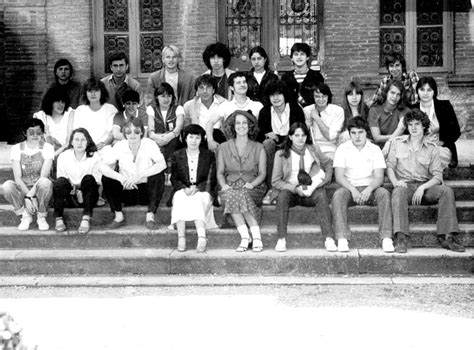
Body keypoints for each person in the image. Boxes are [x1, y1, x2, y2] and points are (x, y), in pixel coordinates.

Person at [387, 109, 465, 253]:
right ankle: (401, 238)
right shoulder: (397, 143)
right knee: (397, 192)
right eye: (410, 125)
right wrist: (395, 182)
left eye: (417, 124)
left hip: (426, 187)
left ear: (424, 126)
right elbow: (390, 167)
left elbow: (437, 177)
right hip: (405, 186)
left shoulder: (432, 148)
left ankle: (447, 237)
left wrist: (422, 188)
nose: (414, 128)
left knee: (447, 191)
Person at [332, 117, 394, 253]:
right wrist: (353, 189)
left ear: (366, 132)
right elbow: (339, 176)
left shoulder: (375, 149)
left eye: (360, 132)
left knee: (384, 193)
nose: (357, 136)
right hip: (349, 188)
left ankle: (386, 237)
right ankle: (342, 238)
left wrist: (369, 189)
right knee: (338, 195)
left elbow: (379, 177)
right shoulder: (342, 149)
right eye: (353, 133)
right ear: (349, 134)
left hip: (371, 188)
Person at [272, 122, 336, 252]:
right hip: (292, 192)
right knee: (282, 195)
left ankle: (329, 238)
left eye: (303, 135)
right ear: (290, 137)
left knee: (321, 194)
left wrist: (327, 179)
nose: (300, 138)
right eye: (296, 135)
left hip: (310, 190)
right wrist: (294, 189)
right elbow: (276, 181)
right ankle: (281, 238)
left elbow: (329, 163)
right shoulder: (281, 154)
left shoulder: (313, 150)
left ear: (307, 136)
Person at [101, 119, 167, 229]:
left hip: (146, 192)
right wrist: (121, 178)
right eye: (128, 132)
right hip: (127, 191)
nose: (132, 135)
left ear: (142, 132)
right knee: (107, 178)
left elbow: (162, 164)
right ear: (124, 134)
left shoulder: (149, 144)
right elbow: (103, 167)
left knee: (158, 175)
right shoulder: (119, 146)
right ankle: (118, 216)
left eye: (136, 131)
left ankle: (150, 216)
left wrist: (139, 176)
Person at [217, 110, 267, 252]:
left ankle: (250, 237)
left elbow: (262, 174)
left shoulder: (259, 147)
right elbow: (220, 173)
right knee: (234, 193)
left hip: (253, 186)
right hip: (230, 187)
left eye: (244, 122)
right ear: (233, 126)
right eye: (237, 123)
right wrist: (224, 186)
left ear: (250, 126)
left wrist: (252, 184)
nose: (241, 126)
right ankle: (249, 236)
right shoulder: (223, 147)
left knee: (240, 194)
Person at [393, 76, 461, 169]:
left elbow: (455, 131)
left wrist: (442, 142)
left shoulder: (445, 106)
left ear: (434, 92)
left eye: (429, 90)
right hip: (419, 148)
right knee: (415, 156)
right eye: (422, 89)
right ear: (417, 91)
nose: (425, 93)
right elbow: (406, 132)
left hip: (440, 148)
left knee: (431, 156)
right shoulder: (412, 109)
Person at [170, 124, 218, 253]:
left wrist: (198, 188)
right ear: (185, 138)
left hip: (202, 189)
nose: (194, 141)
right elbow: (174, 178)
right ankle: (181, 237)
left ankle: (201, 237)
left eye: (197, 138)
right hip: (183, 188)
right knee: (180, 197)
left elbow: (211, 178)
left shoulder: (209, 155)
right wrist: (184, 188)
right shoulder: (177, 155)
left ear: (202, 139)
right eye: (191, 137)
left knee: (198, 198)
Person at [257, 80, 305, 204]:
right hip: (272, 147)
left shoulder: (295, 109)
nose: (276, 98)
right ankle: (271, 187)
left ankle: (282, 188)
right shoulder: (264, 112)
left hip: (291, 145)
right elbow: (261, 135)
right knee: (268, 144)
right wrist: (270, 136)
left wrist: (280, 137)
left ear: (285, 95)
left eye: (279, 94)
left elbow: (300, 132)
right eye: (272, 95)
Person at [2, 119, 53, 231]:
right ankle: (25, 215)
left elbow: (43, 176)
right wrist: (28, 196)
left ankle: (41, 216)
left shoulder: (48, 148)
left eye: (38, 132)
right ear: (25, 133)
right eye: (31, 133)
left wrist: (31, 196)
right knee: (7, 186)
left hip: (40, 189)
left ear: (43, 133)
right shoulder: (16, 149)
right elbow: (18, 178)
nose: (35, 135)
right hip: (23, 187)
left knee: (45, 183)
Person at [53, 128, 101, 234]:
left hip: (88, 195)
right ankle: (59, 218)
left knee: (89, 179)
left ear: (88, 142)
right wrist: (75, 190)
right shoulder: (64, 156)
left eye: (83, 140)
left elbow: (96, 181)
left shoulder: (94, 156)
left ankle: (86, 218)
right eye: (76, 139)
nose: (79, 143)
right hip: (70, 195)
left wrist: (81, 190)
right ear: (71, 142)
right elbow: (62, 181)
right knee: (59, 183)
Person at [205, 72, 263, 151]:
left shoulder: (257, 105)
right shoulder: (225, 106)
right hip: (230, 147)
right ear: (231, 87)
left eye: (244, 82)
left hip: (252, 146)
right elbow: (210, 123)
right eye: (238, 83)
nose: (242, 85)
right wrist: (210, 140)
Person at [73, 78, 117, 151]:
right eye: (89, 91)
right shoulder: (80, 110)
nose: (93, 94)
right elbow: (77, 133)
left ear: (101, 92)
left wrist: (103, 144)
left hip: (104, 147)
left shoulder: (110, 109)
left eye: (96, 91)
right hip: (84, 147)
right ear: (85, 93)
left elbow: (112, 134)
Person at [147, 82, 185, 165]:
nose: (166, 99)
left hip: (174, 144)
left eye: (169, 96)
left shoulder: (178, 108)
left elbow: (178, 128)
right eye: (163, 96)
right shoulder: (151, 109)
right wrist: (159, 138)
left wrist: (168, 137)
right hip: (157, 143)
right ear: (157, 97)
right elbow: (151, 131)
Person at [303, 83, 344, 159]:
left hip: (330, 148)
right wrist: (307, 126)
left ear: (328, 97)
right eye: (317, 96)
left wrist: (317, 118)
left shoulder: (337, 111)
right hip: (312, 148)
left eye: (324, 96)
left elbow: (330, 136)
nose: (321, 99)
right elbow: (303, 134)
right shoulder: (307, 110)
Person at [183, 74, 227, 144]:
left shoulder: (224, 104)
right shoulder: (189, 105)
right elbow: (186, 130)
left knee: (216, 133)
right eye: (201, 87)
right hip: (197, 142)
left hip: (219, 140)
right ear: (197, 90)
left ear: (213, 90)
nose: (205, 91)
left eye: (208, 87)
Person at [34, 86, 75, 156]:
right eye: (57, 101)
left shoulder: (69, 113)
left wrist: (54, 155)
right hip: (46, 154)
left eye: (63, 102)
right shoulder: (41, 116)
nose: (61, 105)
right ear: (50, 101)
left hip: (66, 153)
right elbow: (38, 143)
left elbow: (68, 143)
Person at [368, 79, 409, 148]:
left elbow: (401, 128)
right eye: (392, 93)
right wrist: (400, 136)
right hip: (377, 148)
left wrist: (389, 143)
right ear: (386, 92)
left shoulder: (404, 110)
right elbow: (377, 138)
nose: (395, 97)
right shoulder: (375, 110)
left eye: (398, 94)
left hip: (397, 148)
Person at [281, 43, 324, 107]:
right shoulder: (286, 77)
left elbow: (321, 97)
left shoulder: (317, 76)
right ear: (292, 58)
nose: (299, 57)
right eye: (296, 54)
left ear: (307, 57)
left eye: (302, 54)